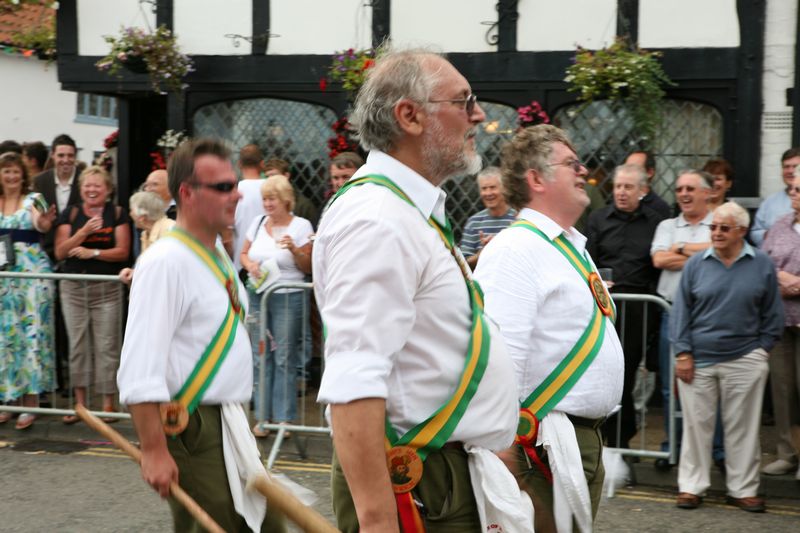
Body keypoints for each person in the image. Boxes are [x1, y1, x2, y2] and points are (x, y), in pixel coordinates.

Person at [314, 48, 527, 532]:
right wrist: (376, 520)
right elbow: (354, 379)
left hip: (443, 474)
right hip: (417, 486)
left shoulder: (404, 211)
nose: (479, 115)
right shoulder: (377, 219)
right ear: (409, 116)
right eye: (464, 101)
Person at [117, 138, 286, 532]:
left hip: (229, 419)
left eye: (235, 184)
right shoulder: (164, 261)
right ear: (188, 194)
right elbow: (140, 366)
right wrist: (155, 450)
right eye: (224, 186)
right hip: (194, 426)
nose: (238, 193)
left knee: (265, 524)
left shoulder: (214, 253)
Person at [475, 124, 624, 533]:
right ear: (536, 178)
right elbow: (499, 354)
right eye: (571, 163)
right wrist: (505, 455)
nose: (584, 171)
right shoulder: (515, 249)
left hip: (575, 440)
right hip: (538, 446)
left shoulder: (568, 245)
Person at [671, 201, 783, 512]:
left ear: (742, 232)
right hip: (699, 358)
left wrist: (761, 351)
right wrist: (682, 353)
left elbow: (773, 314)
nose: (716, 233)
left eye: (724, 228)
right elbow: (681, 312)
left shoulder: (761, 264)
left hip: (746, 357)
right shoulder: (696, 264)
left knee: (743, 429)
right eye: (713, 227)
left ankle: (743, 490)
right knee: (697, 428)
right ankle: (691, 487)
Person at [586, 163, 665, 448]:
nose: (621, 192)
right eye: (618, 186)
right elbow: (588, 260)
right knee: (601, 370)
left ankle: (620, 441)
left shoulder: (656, 221)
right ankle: (604, 439)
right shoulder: (598, 218)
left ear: (642, 191)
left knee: (625, 372)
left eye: (628, 187)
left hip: (638, 307)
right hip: (603, 304)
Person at [650, 170, 724, 467]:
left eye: (691, 188)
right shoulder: (667, 225)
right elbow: (658, 260)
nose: (683, 194)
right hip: (671, 313)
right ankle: (673, 447)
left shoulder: (719, 223)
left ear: (707, 193)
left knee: (712, 385)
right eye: (679, 188)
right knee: (672, 387)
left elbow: (720, 251)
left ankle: (716, 451)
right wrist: (702, 254)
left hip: (709, 317)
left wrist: (679, 250)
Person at [54, 166, 130, 423]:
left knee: (107, 345)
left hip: (106, 289)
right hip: (73, 288)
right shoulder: (71, 213)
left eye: (97, 185)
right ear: (81, 189)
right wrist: (83, 233)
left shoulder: (117, 214)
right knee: (78, 346)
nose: (92, 190)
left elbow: (123, 252)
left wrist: (93, 253)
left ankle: (108, 404)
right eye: (87, 185)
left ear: (108, 189)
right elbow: (61, 251)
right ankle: (81, 405)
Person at [239, 175, 313, 438]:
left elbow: (308, 267)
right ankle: (262, 417)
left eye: (272, 199)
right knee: (260, 355)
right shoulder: (257, 223)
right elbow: (244, 254)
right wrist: (250, 266)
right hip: (259, 294)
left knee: (283, 356)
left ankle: (283, 419)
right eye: (265, 199)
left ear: (285, 200)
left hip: (288, 295)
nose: (267, 204)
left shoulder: (302, 225)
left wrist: (294, 249)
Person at [0, 152, 57, 430]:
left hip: (31, 277)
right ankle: (9, 400)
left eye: (15, 171)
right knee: (7, 338)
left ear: (23, 174)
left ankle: (30, 404)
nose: (11, 177)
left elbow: (41, 223)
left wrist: (44, 222)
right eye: (6, 171)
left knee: (31, 335)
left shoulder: (34, 199)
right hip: (3, 279)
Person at [761, 173, 800, 479]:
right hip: (781, 320)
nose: (794, 194)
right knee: (783, 390)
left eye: (799, 190)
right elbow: (763, 264)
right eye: (792, 189)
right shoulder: (780, 225)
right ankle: (787, 454)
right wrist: (781, 278)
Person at [460, 166, 517, 269]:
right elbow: (463, 265)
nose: (488, 193)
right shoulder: (474, 222)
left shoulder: (517, 219)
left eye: (493, 187)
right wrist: (483, 252)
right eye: (484, 189)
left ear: (504, 188)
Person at [118, 191, 176, 285]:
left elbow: (169, 267)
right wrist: (134, 272)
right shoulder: (145, 234)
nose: (130, 214)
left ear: (142, 217)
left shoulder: (170, 230)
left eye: (131, 210)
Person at [751, 148, 800, 246]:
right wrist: (771, 235)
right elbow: (755, 232)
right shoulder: (769, 203)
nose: (790, 171)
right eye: (786, 167)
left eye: (795, 166)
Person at [233, 144, 267, 270]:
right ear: (262, 164)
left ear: (239, 164)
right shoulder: (273, 190)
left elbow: (226, 236)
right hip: (269, 265)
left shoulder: (233, 193)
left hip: (240, 263)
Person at [264, 158, 319, 228]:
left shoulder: (303, 205)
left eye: (273, 176)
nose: (270, 180)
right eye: (267, 177)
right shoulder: (265, 202)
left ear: (286, 176)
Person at [624, 150, 672, 219]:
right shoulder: (620, 200)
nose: (627, 173)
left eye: (633, 168)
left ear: (649, 173)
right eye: (626, 168)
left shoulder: (659, 208)